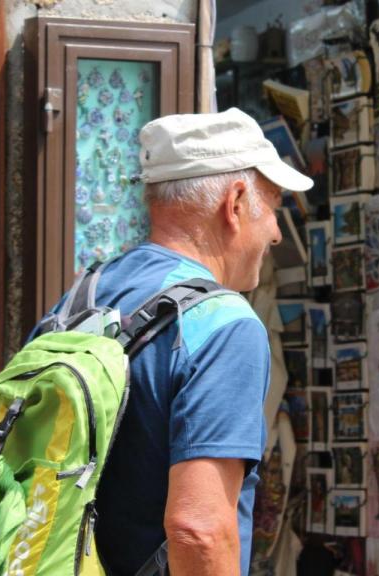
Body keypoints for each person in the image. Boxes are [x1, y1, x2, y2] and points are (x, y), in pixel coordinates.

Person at [55, 108, 312, 575]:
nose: (276, 231)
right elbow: (199, 529)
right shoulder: (225, 324)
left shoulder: (82, 297)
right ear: (235, 203)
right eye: (273, 205)